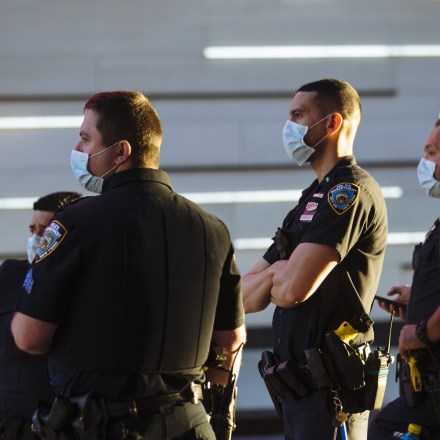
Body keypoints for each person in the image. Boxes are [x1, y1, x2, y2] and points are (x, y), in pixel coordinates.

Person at [10, 91, 246, 440]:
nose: (79, 148)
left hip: (103, 424)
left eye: (86, 138)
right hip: (191, 423)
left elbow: (29, 337)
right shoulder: (212, 228)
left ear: (120, 152)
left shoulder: (75, 223)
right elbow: (231, 341)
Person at [242, 78, 388, 440]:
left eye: (298, 115)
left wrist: (281, 272)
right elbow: (244, 297)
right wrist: (280, 270)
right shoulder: (311, 200)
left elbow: (293, 289)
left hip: (332, 395)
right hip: (298, 392)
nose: (288, 127)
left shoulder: (348, 193)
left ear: (332, 123)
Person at [368, 119, 440, 439]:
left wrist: (422, 332)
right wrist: (418, 299)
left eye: (433, 152)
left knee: (383, 426)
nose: (425, 160)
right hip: (428, 381)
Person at [0, 191, 81, 438]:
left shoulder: (88, 284)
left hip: (65, 424)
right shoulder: (10, 277)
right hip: (12, 425)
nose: (35, 238)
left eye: (44, 230)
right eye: (32, 229)